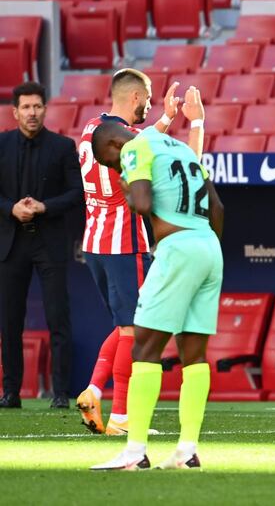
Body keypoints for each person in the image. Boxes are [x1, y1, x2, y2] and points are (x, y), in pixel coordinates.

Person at [90, 88, 224, 471]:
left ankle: (134, 451)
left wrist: (126, 186)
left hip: (177, 248)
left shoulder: (134, 148)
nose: (117, 167)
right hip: (208, 247)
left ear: (115, 144)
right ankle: (187, 449)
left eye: (112, 161)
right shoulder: (181, 149)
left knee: (144, 350)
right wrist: (204, 245)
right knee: (194, 356)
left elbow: (143, 203)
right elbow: (217, 206)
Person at [76, 68, 185, 435]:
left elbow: (139, 139)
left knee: (124, 326)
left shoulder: (90, 130)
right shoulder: (130, 139)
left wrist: (167, 117)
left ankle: (93, 389)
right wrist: (183, 125)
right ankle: (122, 416)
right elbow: (149, 148)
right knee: (135, 328)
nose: (150, 104)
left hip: (94, 242)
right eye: (149, 97)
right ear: (135, 97)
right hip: (125, 242)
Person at [0, 82, 83, 409]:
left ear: (45, 109)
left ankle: (61, 393)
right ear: (15, 111)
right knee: (9, 321)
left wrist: (45, 207)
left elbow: (77, 194)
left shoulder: (63, 147)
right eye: (26, 107)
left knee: (57, 317)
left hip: (48, 242)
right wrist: (11, 209)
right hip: (10, 242)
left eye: (37, 107)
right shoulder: (1, 144)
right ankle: (10, 393)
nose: (32, 113)